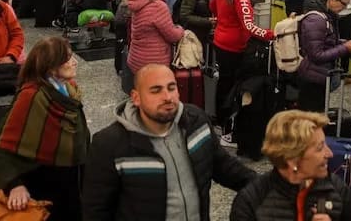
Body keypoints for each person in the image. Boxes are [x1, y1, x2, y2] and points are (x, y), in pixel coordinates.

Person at [82, 63, 256, 221]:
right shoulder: (109, 144)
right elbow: (96, 211)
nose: (167, 97)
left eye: (171, 87)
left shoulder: (196, 122)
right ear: (136, 97)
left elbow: (224, 167)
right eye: (156, 90)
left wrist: (271, 184)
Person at [0, 37, 89, 220]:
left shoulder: (70, 89)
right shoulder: (32, 96)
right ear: (50, 67)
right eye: (67, 59)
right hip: (43, 184)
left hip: (71, 180)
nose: (74, 62)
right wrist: (14, 184)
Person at [230, 110, 351, 221]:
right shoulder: (250, 203)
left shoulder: (333, 186)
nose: (330, 154)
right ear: (293, 159)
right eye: (319, 147)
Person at [210, 0, 274, 138]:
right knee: (234, 87)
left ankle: (220, 119)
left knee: (223, 82)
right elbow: (249, 26)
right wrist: (269, 34)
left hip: (220, 42)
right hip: (235, 46)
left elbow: (212, 6)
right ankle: (229, 125)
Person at [296, 0, 351, 112]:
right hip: (312, 79)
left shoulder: (326, 16)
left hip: (318, 75)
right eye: (344, 4)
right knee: (309, 121)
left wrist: (343, 43)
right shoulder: (316, 20)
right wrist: (344, 48)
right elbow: (316, 55)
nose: (345, 8)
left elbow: (325, 42)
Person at [126, 0, 185, 78]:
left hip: (136, 58)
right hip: (154, 61)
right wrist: (180, 29)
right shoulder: (158, 6)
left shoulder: (137, 2)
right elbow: (172, 35)